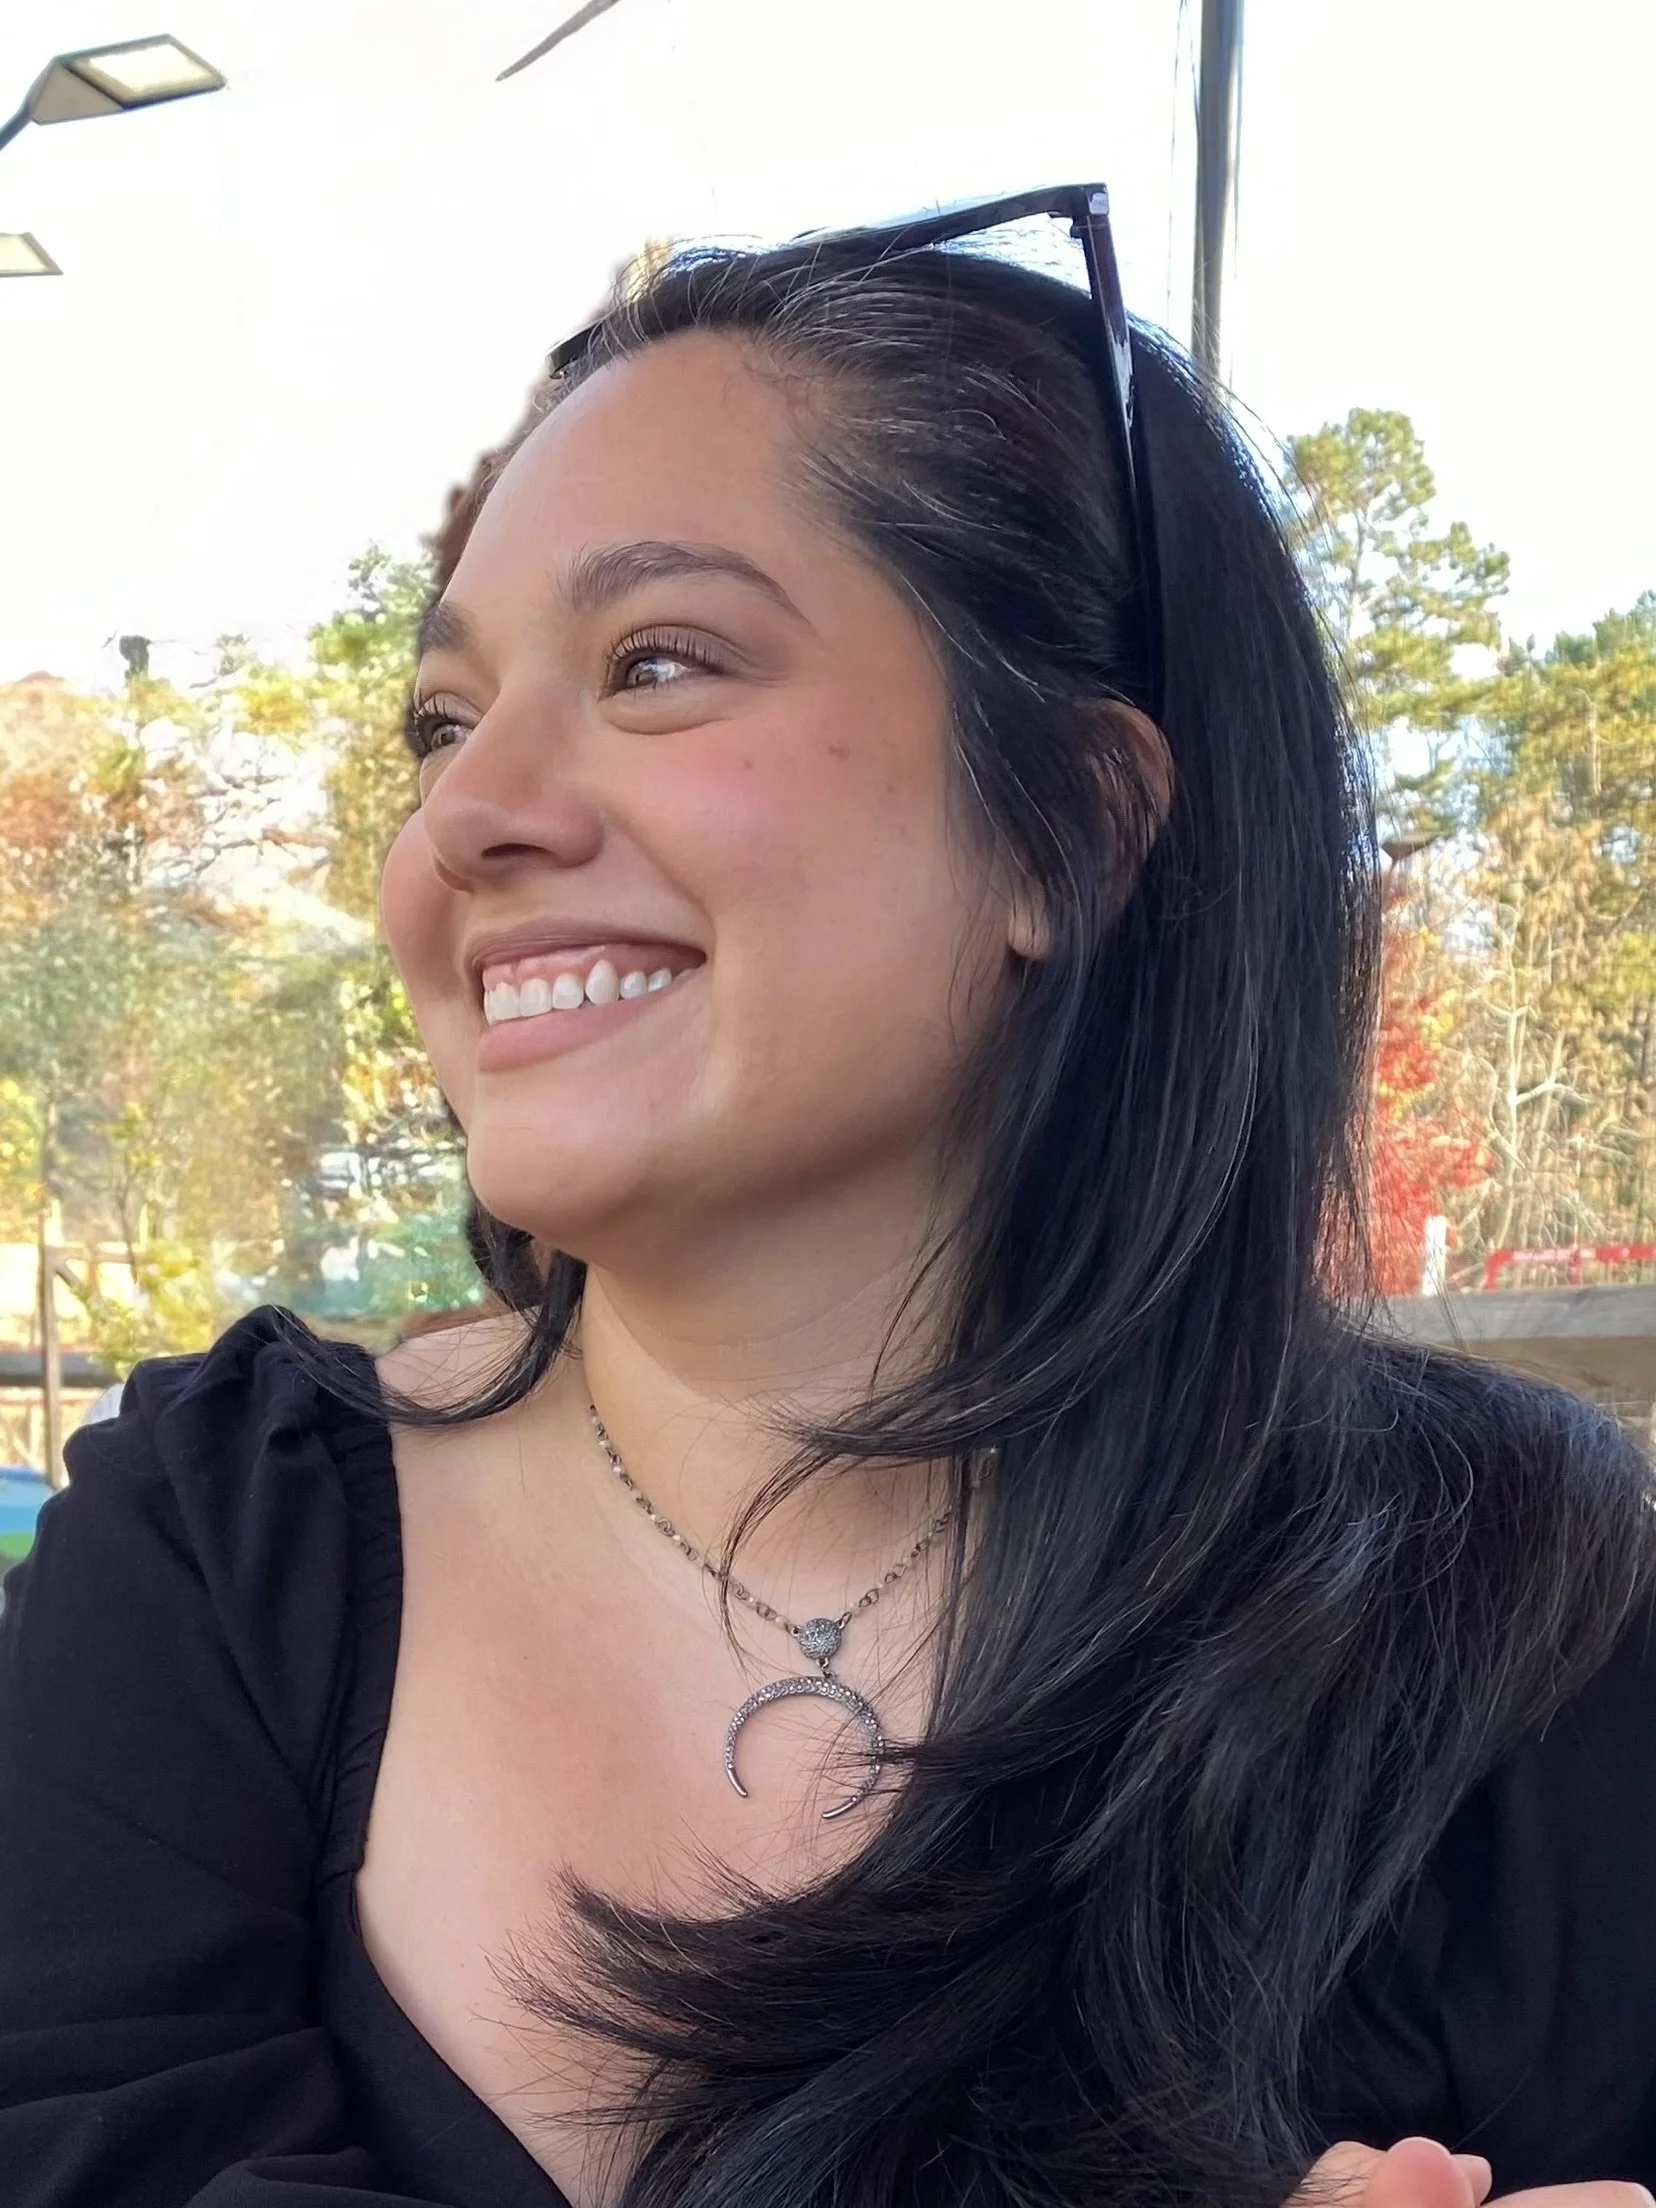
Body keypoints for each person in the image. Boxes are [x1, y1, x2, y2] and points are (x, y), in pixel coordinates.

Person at [1, 188, 1653, 2208]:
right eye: (440, 724)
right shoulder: (213, 1556)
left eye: (659, 663)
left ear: (1073, 830)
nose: (468, 815)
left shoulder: (1525, 1625)